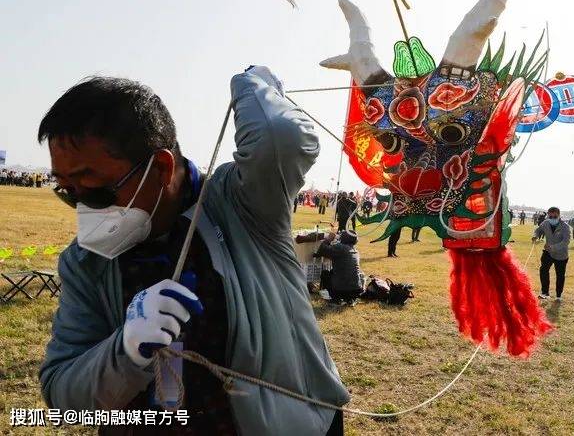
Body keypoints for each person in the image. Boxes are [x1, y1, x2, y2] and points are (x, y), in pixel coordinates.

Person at [36, 68, 348, 434]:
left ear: (161, 167)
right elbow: (62, 395)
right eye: (67, 191)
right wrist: (126, 350)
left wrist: (252, 81)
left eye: (95, 188)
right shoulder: (85, 261)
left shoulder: (244, 204)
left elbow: (280, 136)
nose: (83, 207)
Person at [314, 231, 364, 304]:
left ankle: (335, 298)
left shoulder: (340, 247)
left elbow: (322, 250)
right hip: (356, 290)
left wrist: (328, 239)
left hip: (341, 290)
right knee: (333, 271)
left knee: (325, 273)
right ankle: (349, 298)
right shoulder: (355, 251)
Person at [533, 207, 571, 301]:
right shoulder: (545, 223)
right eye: (550, 216)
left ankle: (558, 295)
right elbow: (538, 230)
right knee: (543, 270)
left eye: (555, 217)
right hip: (548, 252)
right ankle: (545, 293)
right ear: (548, 215)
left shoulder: (565, 226)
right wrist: (535, 236)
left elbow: (566, 242)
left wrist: (553, 247)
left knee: (560, 275)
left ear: (559, 215)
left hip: (561, 255)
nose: (552, 218)